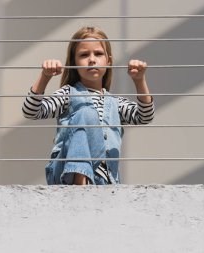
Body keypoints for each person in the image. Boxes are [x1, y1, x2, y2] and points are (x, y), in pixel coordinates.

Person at [22, 26, 155, 185]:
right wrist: (44, 77)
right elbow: (31, 111)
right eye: (84, 55)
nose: (92, 59)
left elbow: (145, 116)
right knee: (87, 113)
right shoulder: (68, 94)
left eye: (98, 54)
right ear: (74, 62)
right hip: (65, 174)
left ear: (109, 61)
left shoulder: (115, 103)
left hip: (103, 179)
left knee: (89, 114)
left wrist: (139, 80)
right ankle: (79, 181)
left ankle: (86, 181)